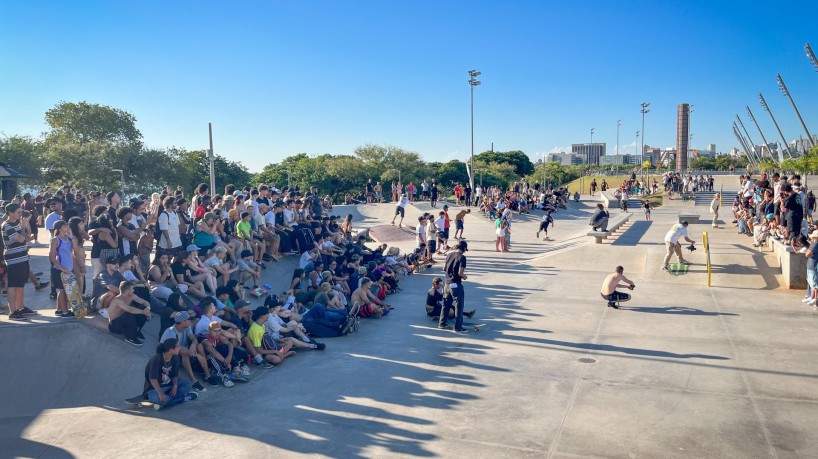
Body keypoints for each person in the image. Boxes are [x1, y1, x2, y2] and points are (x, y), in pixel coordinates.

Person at [159, 311, 213, 390]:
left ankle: (207, 376)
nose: (191, 321)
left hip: (180, 352)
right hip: (169, 358)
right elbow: (180, 350)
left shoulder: (186, 328)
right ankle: (194, 381)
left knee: (199, 345)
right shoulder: (170, 332)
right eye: (189, 320)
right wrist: (198, 356)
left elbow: (194, 338)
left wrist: (193, 345)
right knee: (185, 353)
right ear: (183, 322)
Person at [143, 338, 198, 411]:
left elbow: (174, 374)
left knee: (188, 384)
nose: (180, 348)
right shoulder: (157, 359)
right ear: (171, 349)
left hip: (169, 386)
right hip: (154, 389)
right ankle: (183, 398)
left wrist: (175, 386)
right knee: (157, 398)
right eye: (178, 347)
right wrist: (160, 393)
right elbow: (153, 379)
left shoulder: (175, 358)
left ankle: (166, 402)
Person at [3, 203, 36, 321]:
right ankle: (12, 311)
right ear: (10, 213)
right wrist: (23, 226)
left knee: (21, 284)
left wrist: (26, 224)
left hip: (23, 257)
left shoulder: (18, 224)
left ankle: (21, 308)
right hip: (14, 259)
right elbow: (20, 239)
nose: (20, 214)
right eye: (18, 212)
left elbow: (28, 236)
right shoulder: (7, 225)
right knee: (13, 285)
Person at [108, 281, 152, 345]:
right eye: (132, 289)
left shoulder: (132, 296)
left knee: (143, 307)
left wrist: (147, 309)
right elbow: (130, 309)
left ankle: (136, 330)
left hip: (123, 321)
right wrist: (143, 312)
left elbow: (144, 302)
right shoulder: (117, 300)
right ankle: (130, 338)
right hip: (115, 326)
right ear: (126, 291)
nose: (134, 290)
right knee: (129, 314)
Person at [439, 240, 469, 333]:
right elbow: (460, 272)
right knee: (459, 306)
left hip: (447, 283)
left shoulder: (449, 255)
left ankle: (442, 323)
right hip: (456, 284)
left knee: (446, 305)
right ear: (464, 249)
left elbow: (444, 268)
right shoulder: (462, 258)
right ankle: (458, 327)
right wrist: (465, 277)